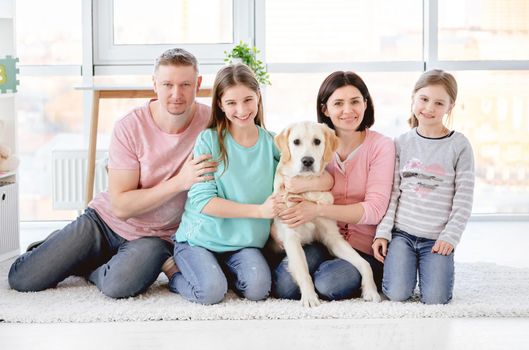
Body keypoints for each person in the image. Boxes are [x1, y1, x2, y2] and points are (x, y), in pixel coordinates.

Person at [8, 48, 214, 298]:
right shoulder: (130, 126)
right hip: (104, 223)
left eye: (185, 84)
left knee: (118, 286)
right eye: (167, 84)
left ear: (198, 84)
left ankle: (89, 265)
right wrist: (179, 182)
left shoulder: (211, 123)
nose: (176, 94)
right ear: (154, 85)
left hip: (156, 239)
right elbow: (121, 206)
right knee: (23, 278)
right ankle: (64, 245)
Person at [271, 71, 395, 301]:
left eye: (355, 101)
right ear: (326, 109)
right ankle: (321, 271)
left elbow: (375, 209)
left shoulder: (382, 146)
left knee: (329, 283)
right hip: (322, 240)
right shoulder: (316, 139)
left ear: (366, 104)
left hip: (364, 245)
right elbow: (304, 180)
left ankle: (359, 273)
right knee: (285, 287)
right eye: (338, 103)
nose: (348, 110)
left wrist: (317, 210)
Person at [166, 63, 282, 305]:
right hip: (201, 240)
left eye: (248, 100)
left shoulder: (272, 143)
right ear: (219, 104)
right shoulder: (209, 141)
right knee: (211, 293)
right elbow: (204, 201)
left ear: (259, 97)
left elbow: (305, 174)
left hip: (244, 243)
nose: (241, 110)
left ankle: (217, 272)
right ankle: (174, 272)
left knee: (258, 289)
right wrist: (260, 211)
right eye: (231, 103)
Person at [372, 69, 475, 305]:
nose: (429, 108)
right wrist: (383, 233)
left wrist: (450, 237)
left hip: (436, 238)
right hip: (402, 235)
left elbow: (464, 199)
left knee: (436, 299)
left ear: (450, 107)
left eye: (439, 103)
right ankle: (402, 269)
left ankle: (429, 267)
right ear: (413, 98)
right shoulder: (401, 143)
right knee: (397, 294)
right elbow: (393, 194)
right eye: (424, 99)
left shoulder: (459, 145)